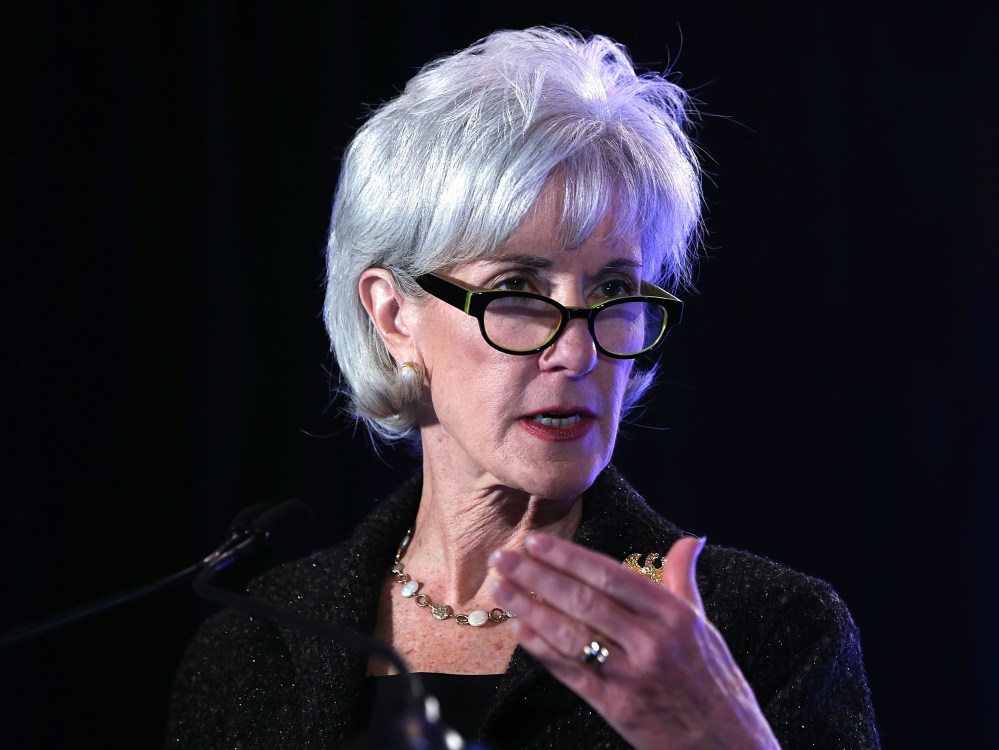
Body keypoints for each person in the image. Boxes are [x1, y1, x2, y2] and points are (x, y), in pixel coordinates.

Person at [166, 27, 880, 749]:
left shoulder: (761, 629)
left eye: (612, 288)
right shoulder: (259, 642)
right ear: (393, 316)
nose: (575, 349)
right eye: (515, 288)